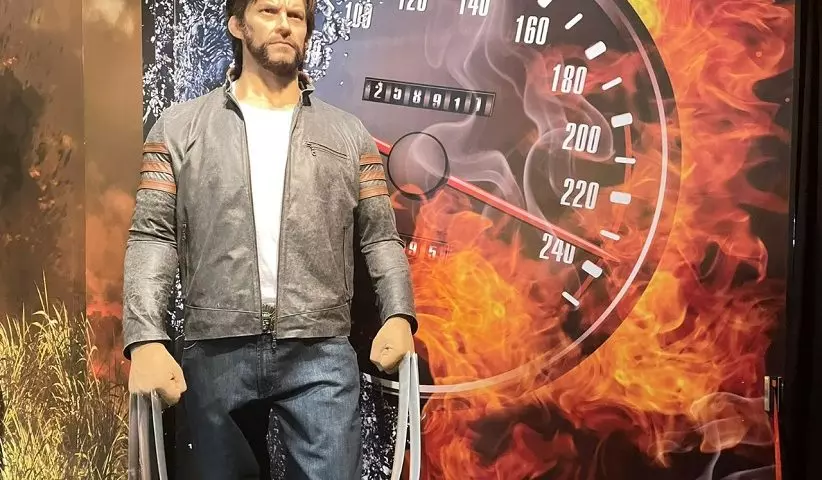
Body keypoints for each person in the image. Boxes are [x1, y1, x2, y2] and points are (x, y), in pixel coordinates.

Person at [122, 0, 418, 478]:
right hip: (215, 350)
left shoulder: (350, 135)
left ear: (307, 31)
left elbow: (380, 238)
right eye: (268, 10)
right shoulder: (178, 129)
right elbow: (152, 237)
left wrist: (399, 314)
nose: (283, 25)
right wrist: (144, 339)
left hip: (320, 352)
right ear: (237, 24)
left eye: (295, 16)